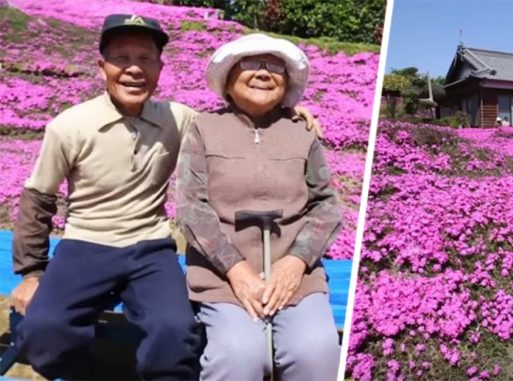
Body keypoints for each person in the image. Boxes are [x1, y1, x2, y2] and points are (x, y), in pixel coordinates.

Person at [10, 14, 319, 380]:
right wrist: (31, 273)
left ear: (160, 68)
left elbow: (232, 124)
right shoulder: (69, 126)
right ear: (101, 67)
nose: (133, 70)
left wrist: (285, 113)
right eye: (121, 58)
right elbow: (38, 199)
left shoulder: (181, 119)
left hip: (151, 249)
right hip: (85, 245)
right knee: (44, 330)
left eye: (145, 59)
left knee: (174, 334)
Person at [177, 33, 343, 381]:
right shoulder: (203, 129)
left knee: (315, 351)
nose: (264, 73)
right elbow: (192, 208)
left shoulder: (302, 132)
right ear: (229, 76)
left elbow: (326, 204)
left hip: (295, 274)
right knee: (238, 357)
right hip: (222, 275)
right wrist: (236, 270)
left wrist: (296, 262)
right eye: (251, 63)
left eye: (275, 67)